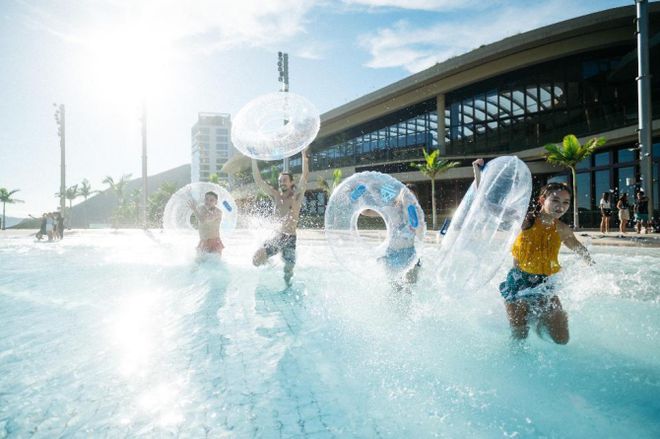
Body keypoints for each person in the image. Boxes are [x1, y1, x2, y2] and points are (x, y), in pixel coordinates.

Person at [498, 182, 593, 345]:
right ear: (542, 200)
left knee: (562, 338)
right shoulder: (523, 219)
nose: (561, 206)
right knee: (519, 336)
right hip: (519, 283)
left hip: (544, 284)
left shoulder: (562, 229)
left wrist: (590, 263)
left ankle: (540, 325)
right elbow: (489, 208)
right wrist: (480, 175)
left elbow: (579, 248)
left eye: (565, 202)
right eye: (555, 200)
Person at [251, 149, 310, 287]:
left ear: (291, 182)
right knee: (256, 260)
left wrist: (304, 157)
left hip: (290, 238)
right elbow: (259, 182)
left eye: (284, 180)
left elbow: (305, 176)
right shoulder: (276, 196)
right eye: (280, 181)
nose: (281, 183)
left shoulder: (296, 197)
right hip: (278, 236)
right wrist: (253, 159)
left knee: (288, 271)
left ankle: (287, 291)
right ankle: (269, 263)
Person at [188, 191, 224, 256]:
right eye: (206, 199)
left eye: (211, 200)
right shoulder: (201, 208)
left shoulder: (218, 212)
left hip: (214, 242)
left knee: (214, 264)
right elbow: (197, 218)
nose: (208, 201)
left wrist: (195, 210)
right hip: (203, 241)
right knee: (199, 263)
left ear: (216, 202)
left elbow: (203, 220)